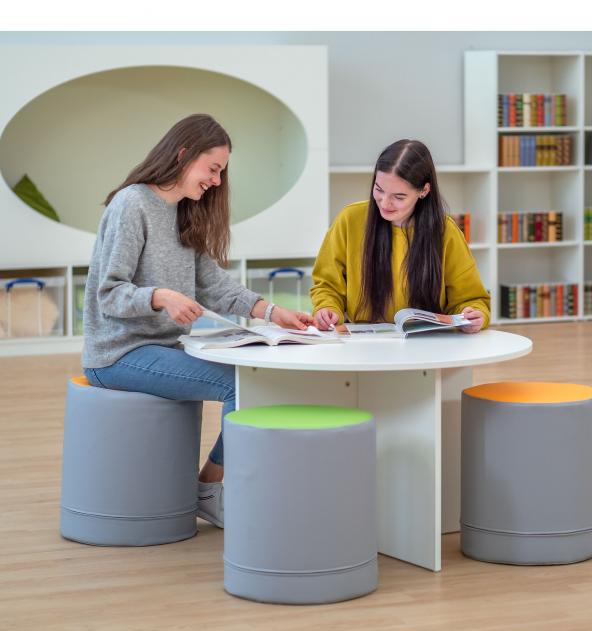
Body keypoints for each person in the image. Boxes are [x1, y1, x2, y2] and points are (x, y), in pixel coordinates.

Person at [82, 114, 313, 529]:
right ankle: (210, 488)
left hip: (163, 349)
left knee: (255, 377)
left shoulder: (183, 213)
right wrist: (160, 296)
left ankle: (210, 484)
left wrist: (273, 312)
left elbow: (214, 285)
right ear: (184, 154)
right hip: (118, 353)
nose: (217, 181)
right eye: (213, 169)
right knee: (240, 385)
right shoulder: (132, 204)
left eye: (221, 172)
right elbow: (108, 294)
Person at [311, 139, 490, 332]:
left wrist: (473, 316)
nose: (384, 203)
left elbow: (471, 299)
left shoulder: (445, 231)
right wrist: (327, 309)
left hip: (427, 341)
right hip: (362, 341)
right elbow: (327, 285)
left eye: (399, 197)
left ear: (424, 191)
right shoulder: (349, 220)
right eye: (379, 190)